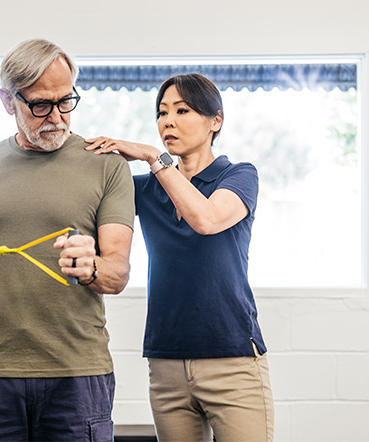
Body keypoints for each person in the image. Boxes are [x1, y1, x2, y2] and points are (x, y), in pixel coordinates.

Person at [0, 38, 135, 441]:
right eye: (40, 105)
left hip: (77, 375)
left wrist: (91, 267)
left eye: (65, 101)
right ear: (8, 101)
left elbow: (118, 273)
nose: (56, 117)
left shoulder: (106, 167)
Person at [86, 73, 274, 442]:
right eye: (162, 113)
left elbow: (207, 219)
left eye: (182, 110)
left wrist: (153, 158)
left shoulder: (239, 175)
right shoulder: (144, 189)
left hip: (232, 360)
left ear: (215, 121)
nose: (168, 121)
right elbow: (89, 198)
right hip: (166, 363)